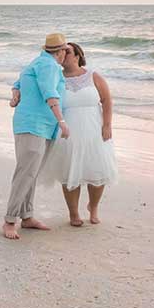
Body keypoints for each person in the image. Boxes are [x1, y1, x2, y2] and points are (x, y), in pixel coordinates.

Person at [35, 42, 118, 226]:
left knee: (97, 170)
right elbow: (47, 98)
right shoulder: (56, 77)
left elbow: (107, 100)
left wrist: (107, 125)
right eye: (61, 51)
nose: (63, 54)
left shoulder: (93, 76)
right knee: (69, 172)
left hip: (94, 128)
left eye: (68, 51)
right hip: (68, 129)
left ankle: (93, 207)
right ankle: (73, 213)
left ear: (78, 56)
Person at [2, 33, 69, 240]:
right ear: (61, 52)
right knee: (25, 173)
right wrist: (62, 121)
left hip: (41, 126)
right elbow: (49, 92)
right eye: (65, 50)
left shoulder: (39, 62)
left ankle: (27, 216)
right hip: (33, 125)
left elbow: (17, 83)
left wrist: (15, 94)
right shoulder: (48, 66)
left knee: (31, 173)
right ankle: (9, 220)